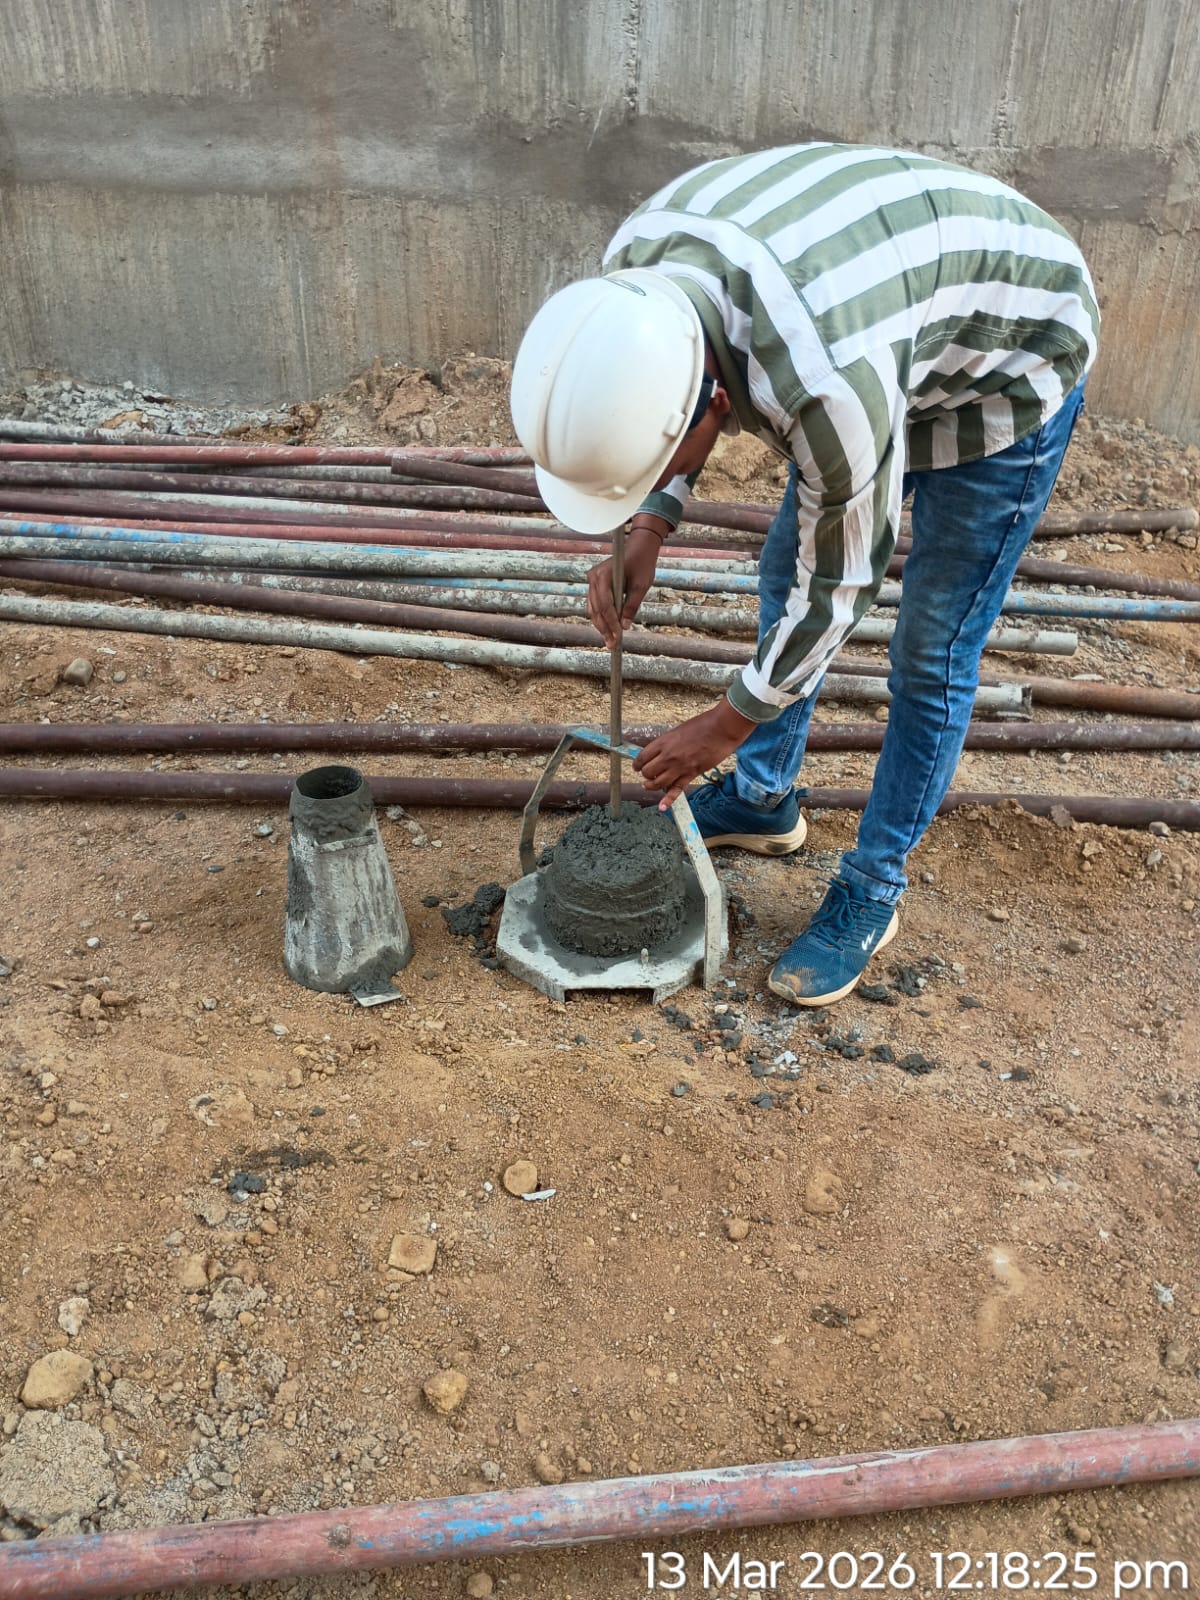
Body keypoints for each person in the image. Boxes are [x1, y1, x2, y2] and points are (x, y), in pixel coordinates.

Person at [510, 143, 1099, 1006]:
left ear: (718, 403)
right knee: (783, 564)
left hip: (1011, 355)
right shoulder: (632, 286)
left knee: (931, 648)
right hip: (888, 319)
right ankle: (764, 802)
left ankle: (874, 884)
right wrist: (647, 524)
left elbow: (840, 588)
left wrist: (727, 722)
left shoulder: (824, 385)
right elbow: (678, 421)